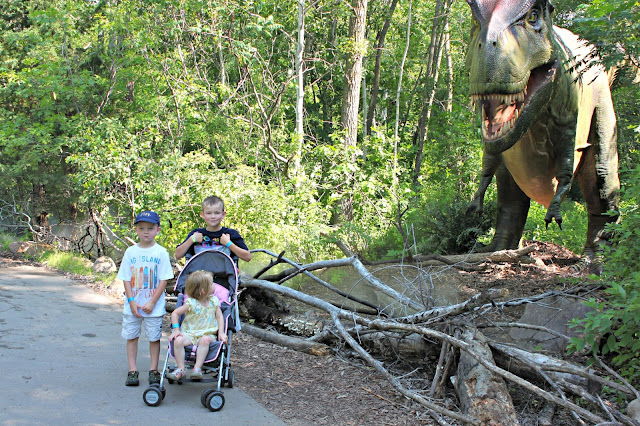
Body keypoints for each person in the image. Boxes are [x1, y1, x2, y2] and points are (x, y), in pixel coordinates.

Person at [116, 210, 174, 387]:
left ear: (158, 230)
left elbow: (164, 279)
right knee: (132, 336)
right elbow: (126, 278)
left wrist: (152, 302)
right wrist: (131, 301)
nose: (146, 232)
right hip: (133, 305)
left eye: (150, 228)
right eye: (141, 228)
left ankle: (153, 369)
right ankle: (132, 370)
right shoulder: (130, 252)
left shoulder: (161, 252)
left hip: (153, 305)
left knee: (154, 338)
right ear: (136, 230)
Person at [166, 270, 228, 380]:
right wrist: (176, 330)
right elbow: (175, 313)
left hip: (207, 333)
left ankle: (197, 368)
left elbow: (219, 317)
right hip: (190, 334)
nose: (214, 286)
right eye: (211, 284)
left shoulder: (214, 301)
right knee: (178, 341)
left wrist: (221, 333)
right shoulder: (191, 303)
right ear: (203, 290)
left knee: (205, 340)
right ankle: (180, 369)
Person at [175, 195, 252, 263]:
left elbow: (247, 257)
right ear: (202, 215)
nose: (213, 216)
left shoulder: (231, 234)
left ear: (223, 214)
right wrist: (192, 239)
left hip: (225, 274)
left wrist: (229, 244)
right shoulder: (196, 233)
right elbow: (177, 255)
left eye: (217, 213)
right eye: (208, 213)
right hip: (199, 273)